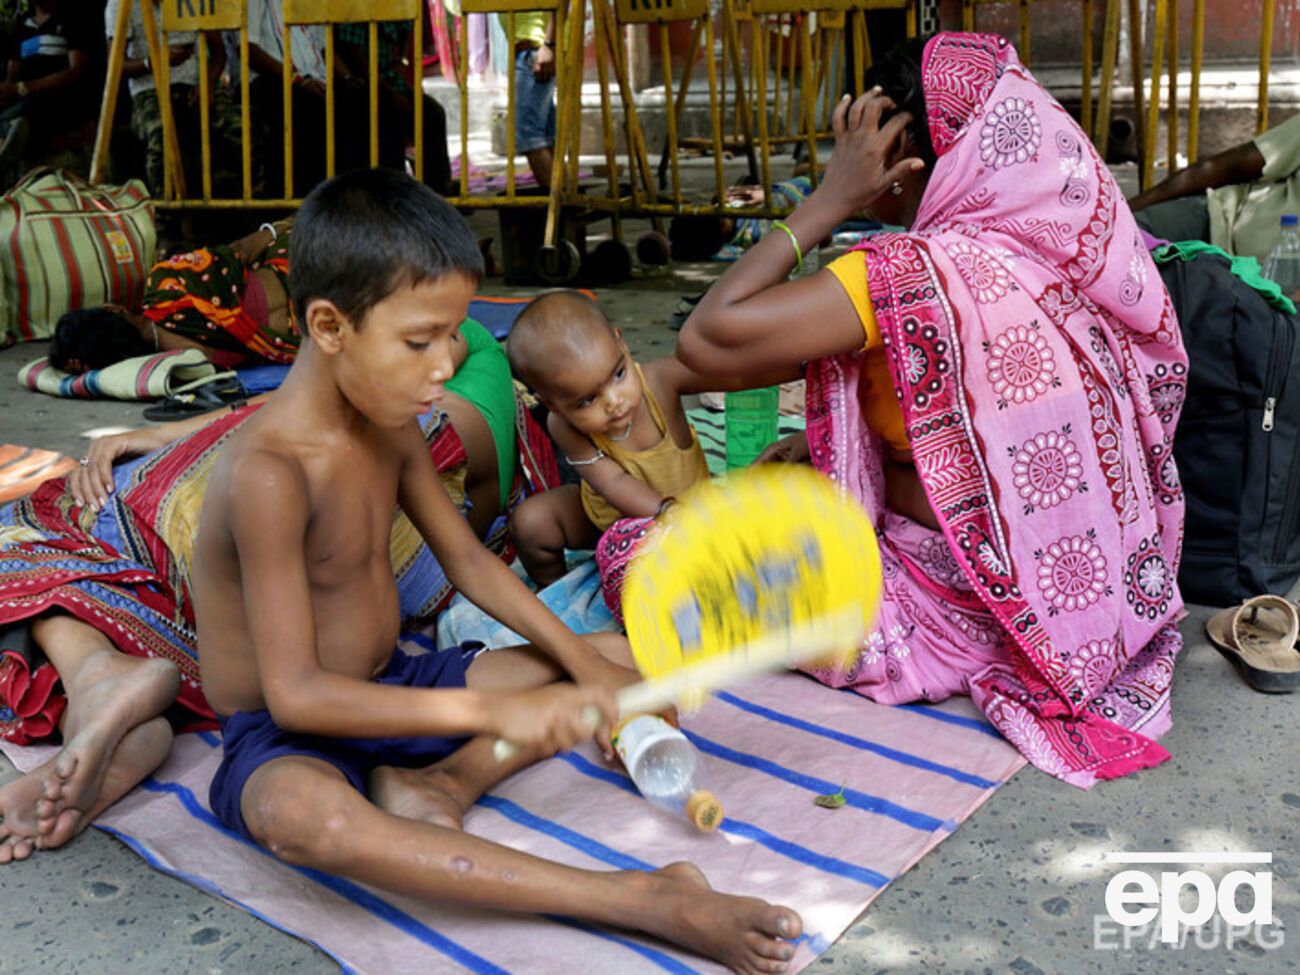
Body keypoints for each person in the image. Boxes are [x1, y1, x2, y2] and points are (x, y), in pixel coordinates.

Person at [36, 167, 806, 971]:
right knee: (303, 820)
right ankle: (645, 897)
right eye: (420, 340)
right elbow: (296, 692)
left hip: (395, 684)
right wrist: (502, 717)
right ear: (330, 326)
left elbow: (470, 559)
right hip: (291, 729)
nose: (446, 363)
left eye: (455, 336)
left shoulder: (391, 418)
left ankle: (442, 786)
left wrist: (586, 671)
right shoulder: (268, 470)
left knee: (628, 658)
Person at [679, 33, 1188, 788]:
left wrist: (830, 198)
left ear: (900, 148)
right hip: (1086, 605)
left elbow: (706, 337)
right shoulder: (1068, 250)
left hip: (950, 599)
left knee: (653, 554)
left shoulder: (914, 273)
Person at [0, 284, 554, 862]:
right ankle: (100, 676)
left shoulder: (414, 378)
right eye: (423, 341)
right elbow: (322, 398)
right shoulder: (443, 363)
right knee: (145, 543)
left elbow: (316, 402)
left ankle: (95, 670)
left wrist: (171, 434)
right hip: (359, 561)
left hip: (373, 523)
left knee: (53, 524)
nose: (440, 358)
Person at [505, 291, 787, 598]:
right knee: (530, 522)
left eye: (619, 374)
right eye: (587, 400)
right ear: (552, 405)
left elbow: (734, 377)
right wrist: (665, 510)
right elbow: (612, 482)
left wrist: (799, 365)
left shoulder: (661, 380)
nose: (614, 401)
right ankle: (558, 595)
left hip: (689, 520)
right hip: (608, 521)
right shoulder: (562, 424)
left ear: (621, 343)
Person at [48, 217, 297, 372]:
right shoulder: (164, 284)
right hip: (301, 268)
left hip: (300, 330)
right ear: (113, 309)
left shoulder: (180, 363)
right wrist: (280, 225)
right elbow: (237, 252)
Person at [104, 0, 242, 198]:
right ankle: (166, 218)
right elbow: (115, 65)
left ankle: (241, 215)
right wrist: (155, 60)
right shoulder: (121, 4)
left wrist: (208, 83)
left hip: (196, 85)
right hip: (149, 91)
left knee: (238, 126)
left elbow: (218, 52)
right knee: (161, 134)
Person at [1129, 111, 1300, 265]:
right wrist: (1122, 210)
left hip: (1264, 282)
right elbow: (1227, 166)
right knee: (1119, 235)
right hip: (1220, 219)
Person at [334, 19, 453, 195]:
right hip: (357, 81)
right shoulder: (358, 10)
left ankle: (438, 191)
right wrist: (388, 92)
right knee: (390, 116)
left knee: (432, 113)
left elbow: (405, 28)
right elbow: (352, 52)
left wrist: (399, 62)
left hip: (386, 76)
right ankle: (394, 194)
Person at [0, 0, 96, 182]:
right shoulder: (21, 25)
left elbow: (75, 71)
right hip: (22, 101)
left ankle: (12, 133)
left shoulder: (70, 20)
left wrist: (25, 88)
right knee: (15, 114)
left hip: (56, 96)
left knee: (27, 111)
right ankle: (11, 132)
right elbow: (12, 74)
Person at [498, 10, 555, 189]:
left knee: (529, 136)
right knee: (545, 137)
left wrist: (549, 44)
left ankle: (562, 208)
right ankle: (566, 205)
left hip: (535, 49)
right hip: (532, 49)